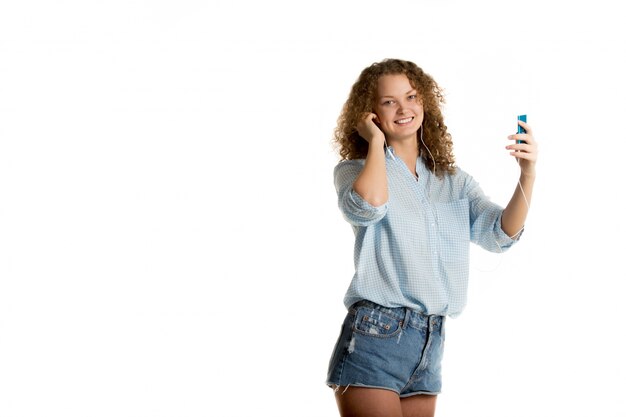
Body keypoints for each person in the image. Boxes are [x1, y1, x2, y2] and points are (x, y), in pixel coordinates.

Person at [325, 58, 538, 417]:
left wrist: (528, 174)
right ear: (371, 113)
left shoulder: (454, 181)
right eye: (389, 101)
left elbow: (500, 233)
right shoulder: (354, 171)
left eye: (410, 97)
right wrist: (375, 142)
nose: (403, 108)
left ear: (425, 102)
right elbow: (368, 206)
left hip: (431, 340)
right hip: (375, 333)